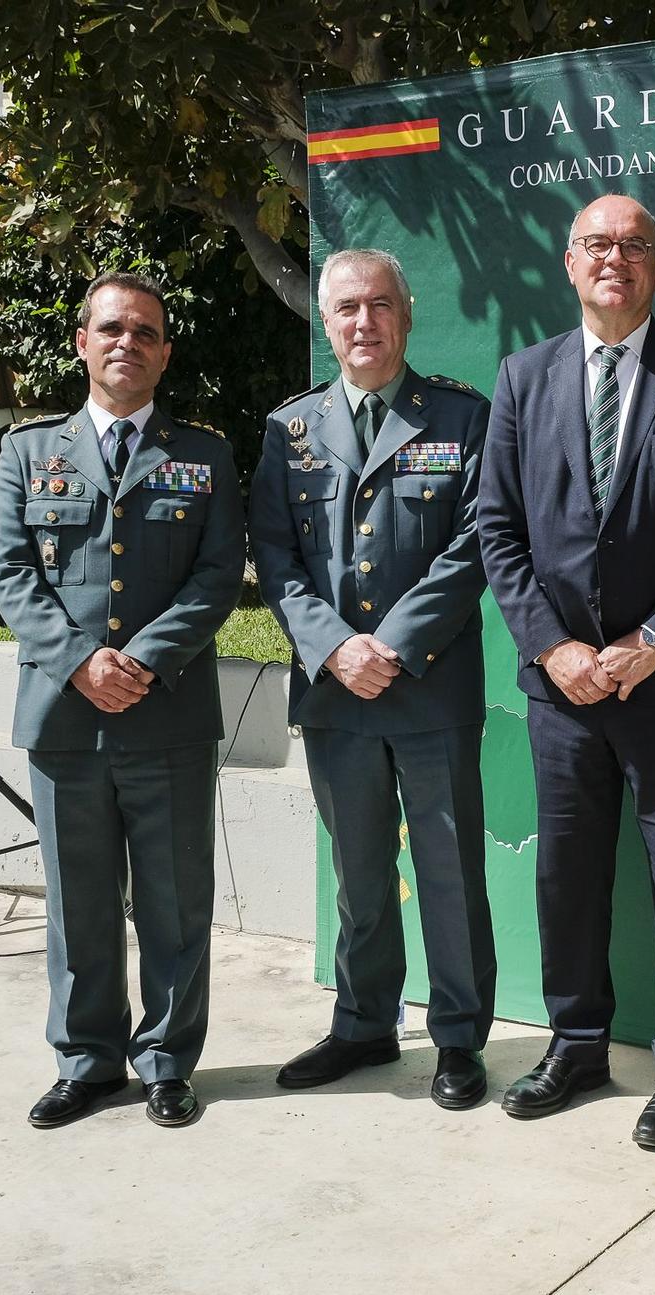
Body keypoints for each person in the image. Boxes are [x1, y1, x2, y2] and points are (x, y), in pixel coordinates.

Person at [477, 193, 655, 1148]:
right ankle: (577, 1042)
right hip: (560, 689)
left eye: (635, 246)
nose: (615, 260)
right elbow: (498, 530)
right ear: (570, 262)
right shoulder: (523, 377)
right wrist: (553, 648)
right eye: (598, 244)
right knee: (567, 874)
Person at [0, 272, 244, 1130]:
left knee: (175, 901)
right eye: (110, 328)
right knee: (79, 901)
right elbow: (11, 572)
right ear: (82, 343)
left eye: (144, 331)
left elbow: (215, 580)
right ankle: (87, 1061)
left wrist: (138, 661)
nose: (126, 342)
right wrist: (79, 664)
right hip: (64, 717)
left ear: (165, 352)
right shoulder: (27, 452)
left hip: (166, 713)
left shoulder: (204, 455)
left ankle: (167, 1061)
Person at [250, 249, 497, 1110]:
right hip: (334, 693)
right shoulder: (290, 430)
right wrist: (334, 648)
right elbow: (275, 556)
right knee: (358, 872)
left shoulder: (464, 419)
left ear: (407, 314)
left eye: (380, 306)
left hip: (427, 685)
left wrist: (387, 644)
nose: (365, 322)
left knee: (450, 872)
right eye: (348, 308)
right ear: (327, 323)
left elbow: (475, 547)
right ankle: (363, 1024)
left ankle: (459, 1040)